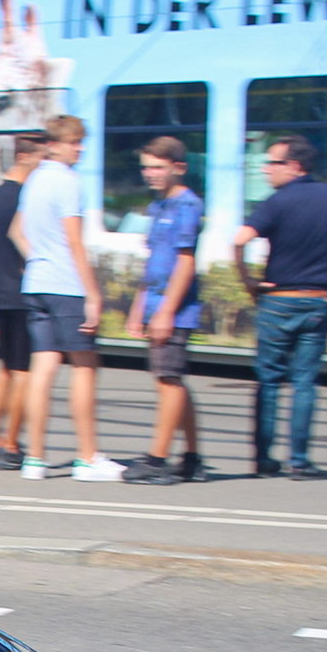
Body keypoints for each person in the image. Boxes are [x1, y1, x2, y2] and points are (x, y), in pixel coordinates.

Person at [232, 133, 327, 478]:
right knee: (304, 383)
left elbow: (239, 241)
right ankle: (299, 460)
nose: (266, 169)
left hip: (279, 301)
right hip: (318, 302)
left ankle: (264, 460)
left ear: (294, 166)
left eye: (273, 162)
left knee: (269, 382)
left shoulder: (277, 201)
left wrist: (249, 282)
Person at [11, 115, 121, 481]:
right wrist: (92, 292)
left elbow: (18, 231)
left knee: (42, 367)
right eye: (75, 142)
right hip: (66, 286)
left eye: (81, 141)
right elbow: (75, 241)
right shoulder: (69, 182)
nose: (81, 148)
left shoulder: (35, 180)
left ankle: (35, 459)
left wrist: (39, 259)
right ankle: (88, 457)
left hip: (37, 283)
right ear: (55, 144)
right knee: (85, 365)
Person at [123, 137, 206, 485]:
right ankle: (191, 457)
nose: (150, 174)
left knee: (167, 381)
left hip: (175, 308)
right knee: (173, 380)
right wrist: (138, 307)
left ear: (179, 168)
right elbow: (154, 263)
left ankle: (159, 459)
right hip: (157, 303)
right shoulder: (158, 207)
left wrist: (165, 312)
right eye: (146, 167)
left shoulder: (187, 206)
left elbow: (185, 263)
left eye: (158, 167)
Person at [0, 134, 44, 468]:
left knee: (5, 369)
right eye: (43, 158)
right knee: (23, 373)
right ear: (27, 157)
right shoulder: (25, 198)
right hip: (21, 292)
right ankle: (11, 444)